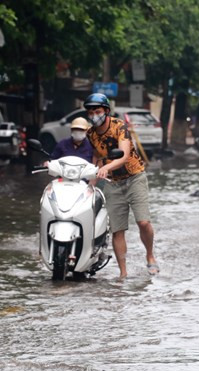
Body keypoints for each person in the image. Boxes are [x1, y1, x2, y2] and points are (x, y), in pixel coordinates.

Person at [83, 93, 158, 277]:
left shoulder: (119, 126)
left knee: (143, 222)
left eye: (98, 111)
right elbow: (97, 158)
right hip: (112, 183)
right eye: (90, 112)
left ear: (106, 111)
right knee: (117, 230)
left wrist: (106, 167)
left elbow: (124, 155)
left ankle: (150, 256)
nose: (94, 115)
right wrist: (90, 183)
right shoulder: (91, 134)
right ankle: (123, 274)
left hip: (135, 177)